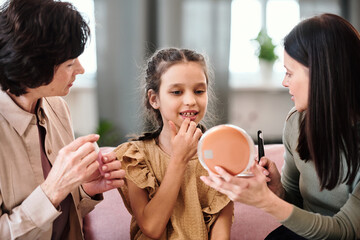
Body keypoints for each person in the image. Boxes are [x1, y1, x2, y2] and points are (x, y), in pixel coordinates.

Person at [200, 13, 360, 240]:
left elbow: (347, 231)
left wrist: (265, 202)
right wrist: (276, 190)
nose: (285, 82)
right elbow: (295, 204)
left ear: (322, 75)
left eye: (289, 73)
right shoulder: (297, 122)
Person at [0, 0, 125, 239]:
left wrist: (86, 190)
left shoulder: (57, 107)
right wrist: (52, 191)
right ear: (32, 67)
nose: (80, 70)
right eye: (70, 63)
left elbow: (64, 220)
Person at [114, 48, 233, 239]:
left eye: (199, 91)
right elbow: (152, 228)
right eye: (177, 92)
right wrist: (179, 159)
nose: (190, 100)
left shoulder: (221, 156)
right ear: (154, 99)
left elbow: (221, 233)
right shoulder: (135, 157)